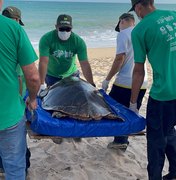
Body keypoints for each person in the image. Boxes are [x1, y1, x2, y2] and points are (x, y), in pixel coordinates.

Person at [129, 0, 176, 179]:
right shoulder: (173, 15)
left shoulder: (140, 30)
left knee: (156, 142)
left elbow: (139, 71)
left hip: (164, 95)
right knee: (169, 130)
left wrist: (133, 102)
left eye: (135, 11)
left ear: (138, 7)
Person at [0, 1, 40, 179]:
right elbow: (32, 76)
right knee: (15, 167)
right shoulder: (14, 30)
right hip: (7, 114)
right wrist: (32, 98)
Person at [102, 13, 148, 150]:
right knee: (131, 110)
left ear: (122, 21)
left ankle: (120, 140)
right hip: (142, 82)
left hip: (125, 82)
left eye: (120, 25)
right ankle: (122, 140)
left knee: (113, 109)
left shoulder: (123, 34)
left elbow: (119, 59)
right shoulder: (141, 33)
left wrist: (107, 79)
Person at [38, 14, 95, 93]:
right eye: (61, 29)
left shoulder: (78, 41)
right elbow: (43, 62)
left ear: (72, 28)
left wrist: (91, 84)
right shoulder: (46, 39)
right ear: (56, 27)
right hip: (52, 76)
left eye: (68, 29)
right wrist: (41, 83)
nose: (65, 31)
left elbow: (84, 64)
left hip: (72, 76)